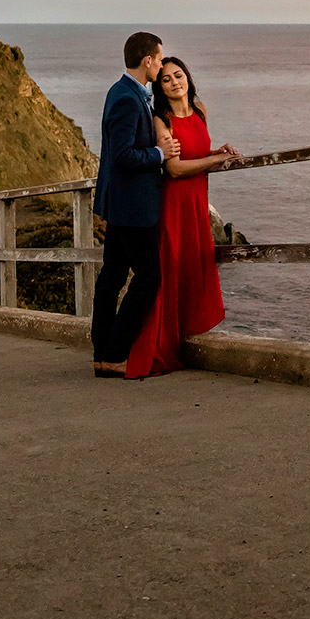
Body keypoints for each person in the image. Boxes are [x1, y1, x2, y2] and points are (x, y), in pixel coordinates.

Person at [127, 55, 238, 379]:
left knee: (193, 266)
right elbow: (173, 168)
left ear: (187, 77)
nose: (175, 82)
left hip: (197, 203)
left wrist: (216, 152)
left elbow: (195, 152)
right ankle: (161, 350)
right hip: (173, 204)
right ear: (160, 88)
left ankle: (183, 340)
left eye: (178, 76)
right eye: (166, 79)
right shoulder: (160, 119)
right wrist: (212, 162)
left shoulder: (200, 110)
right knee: (170, 270)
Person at [90, 32, 179, 377]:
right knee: (149, 277)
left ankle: (103, 356)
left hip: (120, 204)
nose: (161, 64)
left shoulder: (122, 91)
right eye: (159, 59)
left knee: (111, 278)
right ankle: (113, 352)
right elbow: (123, 156)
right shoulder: (128, 99)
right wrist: (160, 154)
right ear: (147, 60)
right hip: (133, 208)